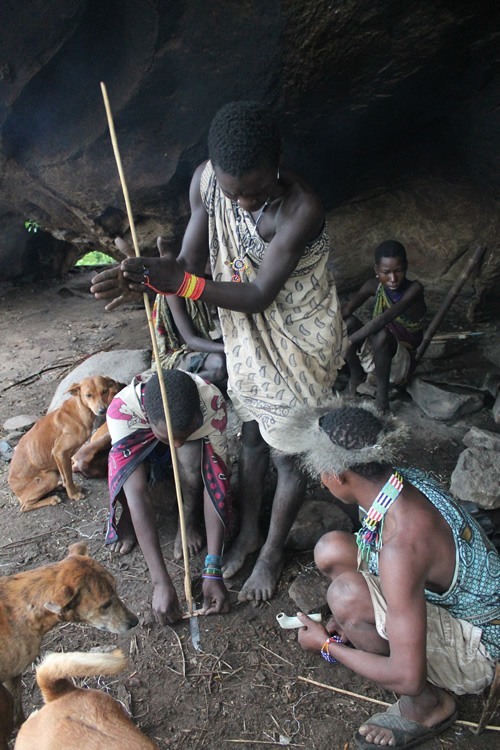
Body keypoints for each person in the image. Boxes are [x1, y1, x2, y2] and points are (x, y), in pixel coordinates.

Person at [91, 101, 346, 602]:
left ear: (277, 162)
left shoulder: (300, 208)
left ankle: (271, 553)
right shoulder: (207, 182)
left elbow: (257, 294)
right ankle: (249, 529)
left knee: (288, 457)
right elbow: (187, 260)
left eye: (257, 190)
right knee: (251, 434)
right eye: (236, 193)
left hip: (299, 338)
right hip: (245, 333)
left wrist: (181, 282)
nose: (246, 203)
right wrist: (146, 277)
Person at [280, 401, 499, 749]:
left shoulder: (403, 545)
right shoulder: (396, 483)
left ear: (338, 476)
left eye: (321, 474)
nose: (322, 483)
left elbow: (408, 677)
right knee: (331, 550)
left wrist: (326, 645)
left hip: (481, 646)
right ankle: (367, 626)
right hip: (444, 594)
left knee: (345, 596)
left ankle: (429, 707)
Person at [105, 368, 232, 624]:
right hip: (141, 439)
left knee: (191, 463)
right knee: (131, 482)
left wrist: (213, 568)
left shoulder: (211, 402)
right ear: (150, 420)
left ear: (199, 414)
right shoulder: (122, 409)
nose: (176, 444)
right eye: (168, 437)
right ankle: (127, 521)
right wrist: (160, 582)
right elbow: (137, 493)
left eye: (185, 433)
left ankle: (186, 520)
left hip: (184, 430)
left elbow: (216, 483)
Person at [341, 240, 426, 412]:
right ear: (376, 270)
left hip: (400, 362)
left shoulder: (414, 289)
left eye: (398, 271)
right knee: (348, 323)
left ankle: (382, 401)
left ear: (406, 267)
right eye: (386, 272)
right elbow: (347, 309)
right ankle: (357, 378)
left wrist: (351, 341)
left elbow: (384, 318)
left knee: (382, 333)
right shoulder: (374, 286)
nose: (393, 279)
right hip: (375, 355)